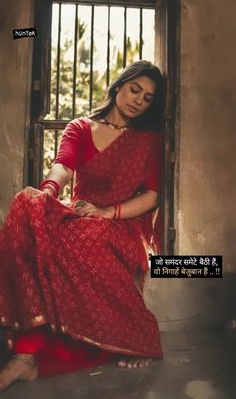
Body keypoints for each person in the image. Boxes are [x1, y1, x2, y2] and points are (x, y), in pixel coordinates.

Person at [0, 60, 165, 392]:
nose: (138, 100)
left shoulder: (148, 140)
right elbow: (63, 166)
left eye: (148, 98)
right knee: (25, 205)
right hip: (78, 213)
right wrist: (47, 192)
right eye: (135, 89)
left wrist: (107, 212)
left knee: (91, 233)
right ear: (119, 85)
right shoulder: (80, 127)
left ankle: (129, 335)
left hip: (119, 223)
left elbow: (151, 196)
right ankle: (26, 354)